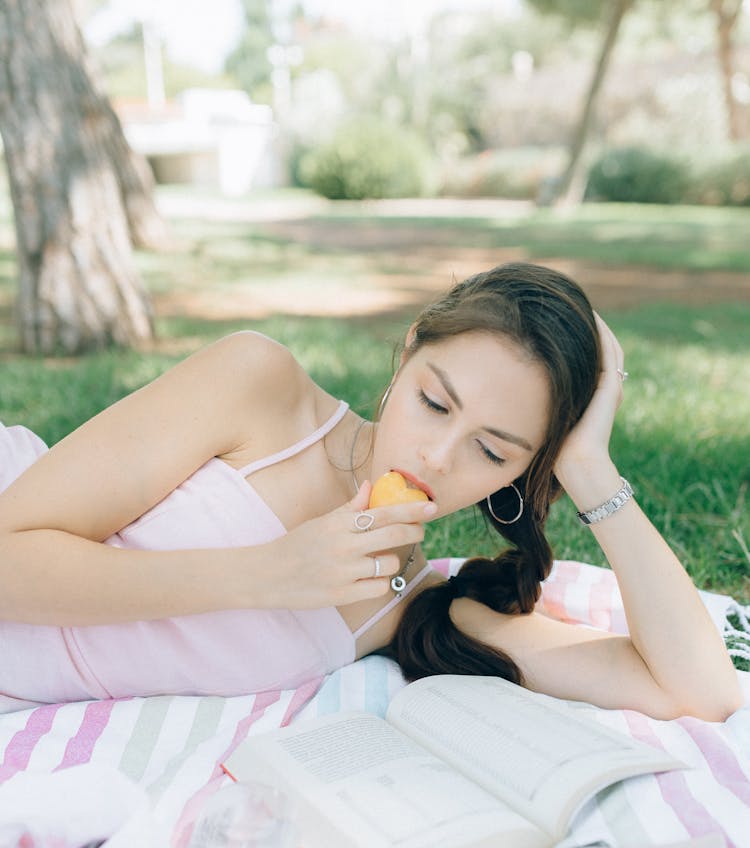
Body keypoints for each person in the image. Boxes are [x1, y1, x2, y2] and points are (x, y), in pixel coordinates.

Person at [0, 263, 740, 720]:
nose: (436, 455)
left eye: (491, 450)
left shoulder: (407, 605)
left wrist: (587, 467)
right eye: (434, 402)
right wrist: (265, 574)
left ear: (520, 474)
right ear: (410, 348)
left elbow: (697, 690)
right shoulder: (259, 392)